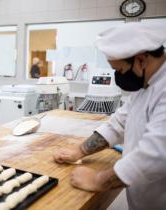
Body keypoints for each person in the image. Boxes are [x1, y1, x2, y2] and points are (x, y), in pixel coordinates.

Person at [53, 22, 166, 210]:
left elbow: (156, 154)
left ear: (141, 60)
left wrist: (99, 180)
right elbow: (119, 122)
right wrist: (79, 151)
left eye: (120, 70)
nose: (119, 76)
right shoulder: (147, 82)